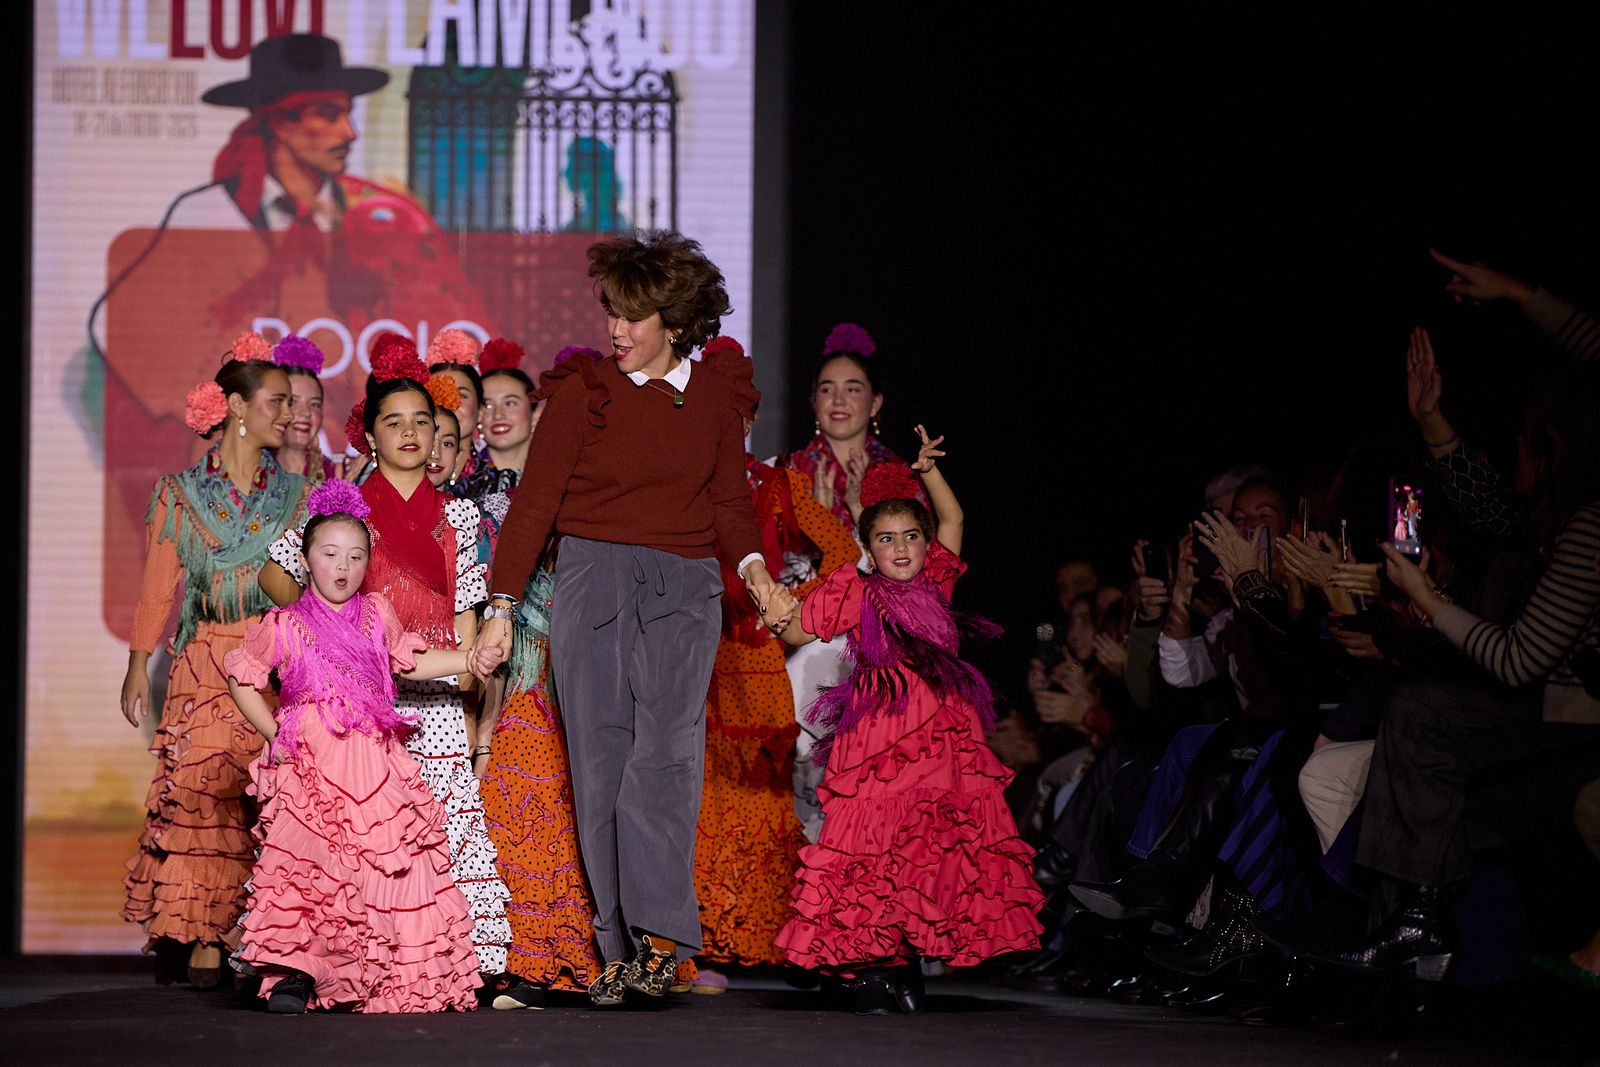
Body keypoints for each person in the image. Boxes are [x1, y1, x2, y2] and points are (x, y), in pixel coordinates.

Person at [474, 230, 779, 1007]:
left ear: (674, 322)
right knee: (601, 767)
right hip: (592, 578)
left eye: (633, 315)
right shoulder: (583, 392)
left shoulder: (715, 396)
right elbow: (535, 503)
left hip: (683, 588)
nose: (615, 328)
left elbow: (730, 506)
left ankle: (658, 936)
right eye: (611, 310)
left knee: (666, 759)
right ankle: (621, 948)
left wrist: (758, 577)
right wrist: (501, 608)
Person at [259, 343, 523, 1005]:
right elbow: (275, 571)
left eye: (420, 421)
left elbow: (466, 626)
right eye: (393, 422)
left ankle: (455, 971)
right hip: (355, 706)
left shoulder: (459, 514)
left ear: (438, 435)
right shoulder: (347, 509)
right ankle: (337, 967)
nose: (408, 432)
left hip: (434, 695)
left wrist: (473, 720)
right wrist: (327, 636)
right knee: (351, 840)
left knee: (436, 837)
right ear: (369, 435)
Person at [768, 430, 1045, 1015]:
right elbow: (800, 630)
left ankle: (903, 960)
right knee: (874, 847)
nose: (900, 547)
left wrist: (927, 473)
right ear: (867, 546)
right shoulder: (855, 589)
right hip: (878, 737)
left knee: (928, 847)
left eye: (910, 537)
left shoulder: (937, 582)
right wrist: (777, 615)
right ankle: (868, 962)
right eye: (886, 538)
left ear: (924, 546)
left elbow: (954, 516)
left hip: (943, 737)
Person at [224, 481, 495, 1014]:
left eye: (355, 556)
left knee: (383, 868)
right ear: (305, 560)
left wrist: (468, 661)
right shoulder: (286, 623)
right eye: (329, 554)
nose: (342, 567)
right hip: (312, 762)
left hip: (374, 760)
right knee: (307, 869)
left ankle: (379, 973)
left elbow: (408, 662)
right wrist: (275, 731)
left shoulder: (376, 614)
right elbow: (243, 676)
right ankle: (295, 976)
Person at [120, 350, 308, 987]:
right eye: (277, 401)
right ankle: (203, 931)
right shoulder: (180, 495)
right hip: (204, 663)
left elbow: (306, 590)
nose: (290, 412)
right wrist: (137, 663)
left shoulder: (295, 495)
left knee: (270, 797)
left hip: (274, 663)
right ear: (236, 408)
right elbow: (157, 591)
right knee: (205, 799)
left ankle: (257, 930)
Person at [691, 337, 854, 986]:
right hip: (696, 659)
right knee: (698, 798)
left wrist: (795, 604)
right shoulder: (682, 490)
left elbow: (845, 554)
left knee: (761, 802)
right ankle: (698, 940)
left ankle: (766, 935)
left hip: (756, 661)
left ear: (751, 422)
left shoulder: (779, 486)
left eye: (737, 417)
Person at [773, 323, 925, 838]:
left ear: (876, 401)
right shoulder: (785, 472)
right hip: (798, 631)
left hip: (876, 634)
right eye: (827, 388)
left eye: (853, 388)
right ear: (812, 401)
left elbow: (914, 575)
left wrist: (856, 517)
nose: (839, 400)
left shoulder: (901, 477)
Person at [270, 333, 336, 482]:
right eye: (293, 402)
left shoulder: (339, 476)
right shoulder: (253, 472)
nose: (306, 413)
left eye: (314, 404)